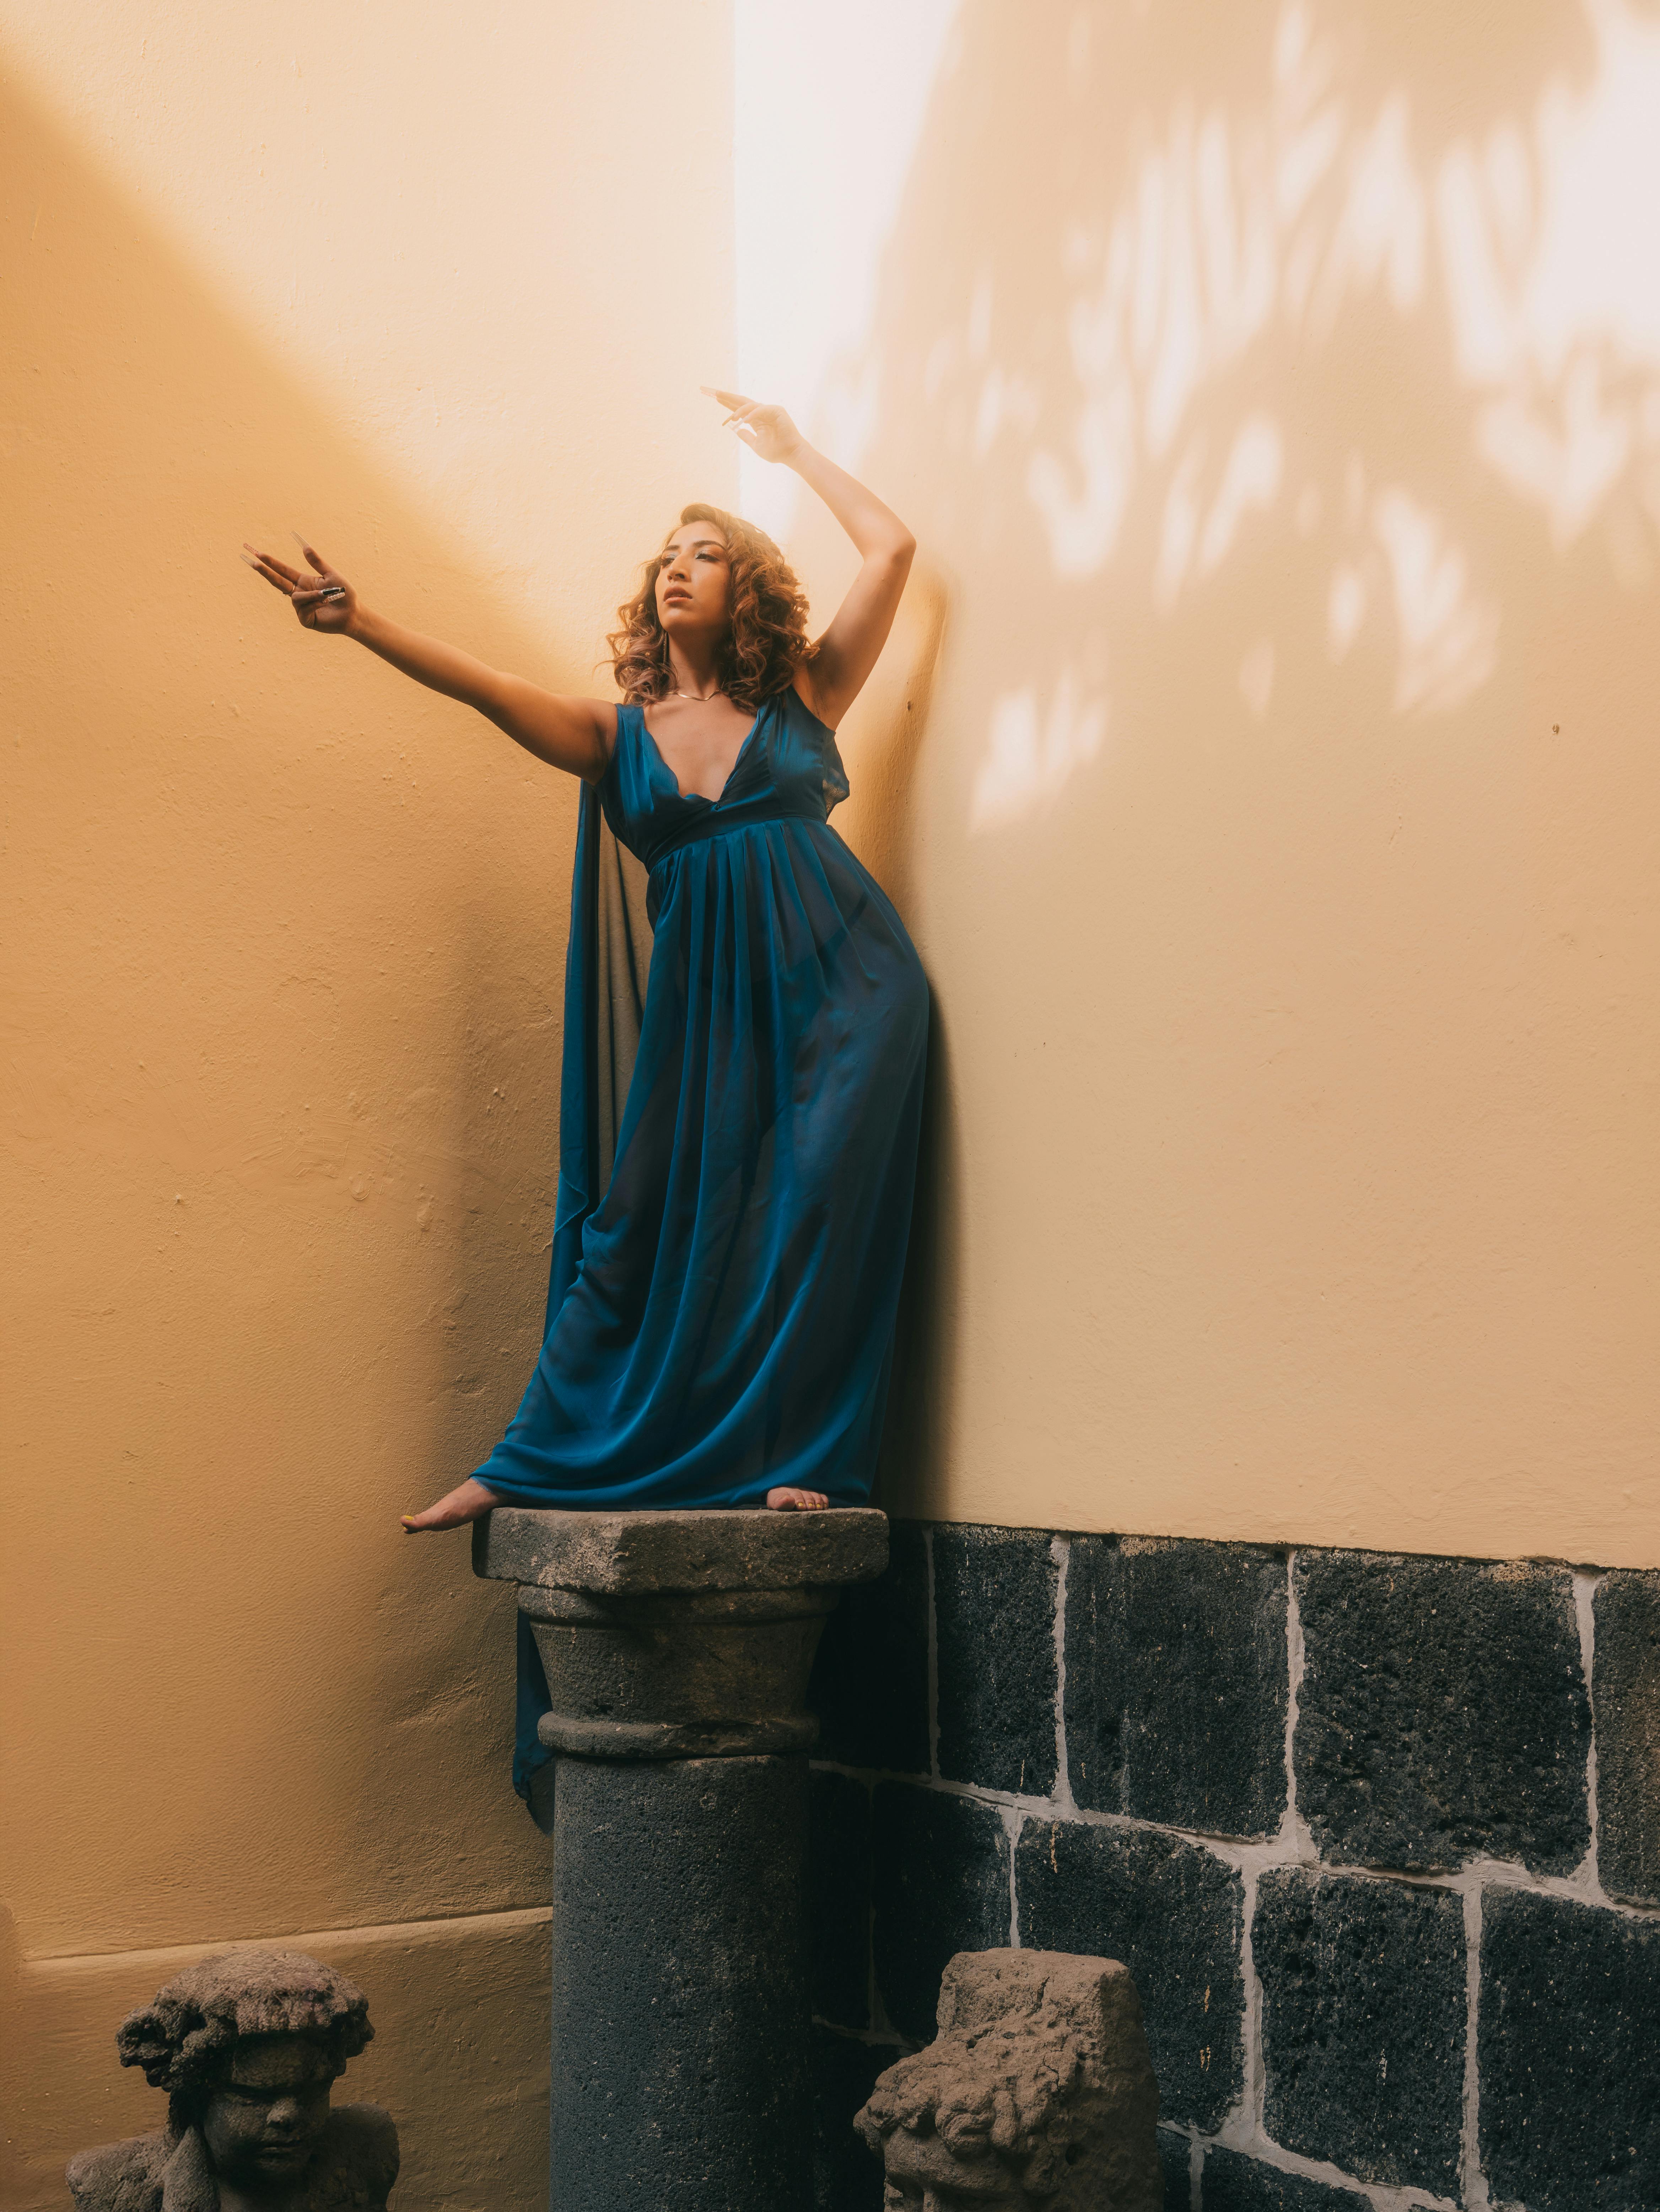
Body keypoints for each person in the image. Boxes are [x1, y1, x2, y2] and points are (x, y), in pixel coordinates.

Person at [245, 390, 929, 1799]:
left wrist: (795, 457)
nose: (676, 564)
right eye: (666, 552)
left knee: (816, 1213)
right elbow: (482, 684)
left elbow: (896, 549)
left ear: (745, 587)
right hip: (710, 1021)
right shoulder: (613, 733)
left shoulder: (806, 696)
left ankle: (808, 1458)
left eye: (705, 549)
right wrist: (358, 620)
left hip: (854, 992)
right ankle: (532, 1456)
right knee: (635, 1221)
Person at [66, 1948, 398, 2212]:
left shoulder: (365, 2146)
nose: (289, 2116)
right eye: (254, 2097)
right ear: (198, 2097)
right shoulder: (107, 2182)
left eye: (312, 2091)